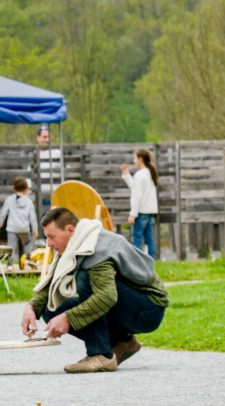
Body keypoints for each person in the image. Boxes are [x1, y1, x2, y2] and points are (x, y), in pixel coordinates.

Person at [21, 207, 168, 373]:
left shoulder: (95, 248)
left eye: (51, 237)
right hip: (126, 306)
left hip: (148, 309)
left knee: (84, 278)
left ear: (69, 230)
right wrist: (32, 307)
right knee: (50, 308)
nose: (48, 244)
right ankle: (123, 342)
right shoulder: (75, 242)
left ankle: (101, 355)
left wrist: (69, 318)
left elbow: (107, 297)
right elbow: (52, 284)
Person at [120, 148, 159, 258]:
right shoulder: (149, 173)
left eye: (135, 158)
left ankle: (138, 263)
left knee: (137, 238)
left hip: (141, 212)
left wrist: (133, 214)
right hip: (149, 211)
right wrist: (127, 175)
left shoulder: (140, 175)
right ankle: (152, 261)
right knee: (149, 238)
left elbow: (137, 196)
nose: (134, 161)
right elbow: (136, 189)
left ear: (140, 159)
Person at [0, 177, 38, 267]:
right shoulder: (28, 201)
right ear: (25, 188)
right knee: (27, 244)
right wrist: (35, 230)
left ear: (14, 188)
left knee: (11, 247)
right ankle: (28, 260)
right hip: (24, 228)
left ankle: (10, 265)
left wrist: (0, 224)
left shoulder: (9, 200)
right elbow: (32, 217)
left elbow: (3, 213)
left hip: (12, 228)